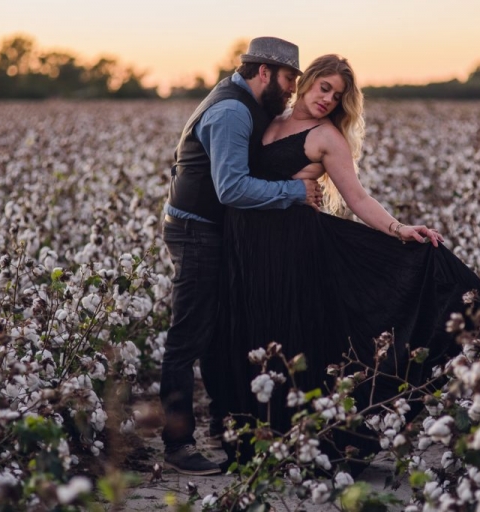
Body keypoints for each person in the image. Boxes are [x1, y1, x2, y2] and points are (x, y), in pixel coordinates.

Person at [210, 54, 480, 469]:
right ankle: (261, 437)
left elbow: (357, 198)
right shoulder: (266, 119)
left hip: (296, 251)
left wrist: (399, 230)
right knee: (252, 335)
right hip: (249, 250)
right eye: (324, 88)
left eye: (337, 96)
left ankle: (306, 441)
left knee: (292, 340)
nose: (328, 100)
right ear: (307, 83)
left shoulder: (326, 137)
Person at [159, 37, 323, 476]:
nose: (292, 89)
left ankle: (223, 426)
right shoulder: (232, 111)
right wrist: (296, 191)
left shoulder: (249, 103)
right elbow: (231, 188)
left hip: (209, 227)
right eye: (289, 79)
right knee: (188, 336)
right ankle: (176, 445)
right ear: (264, 72)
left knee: (217, 333)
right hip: (196, 230)